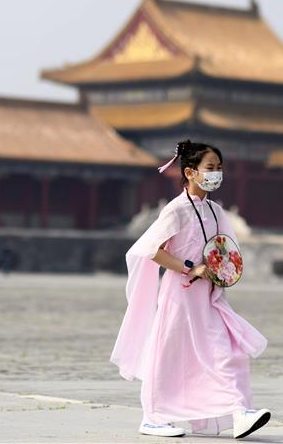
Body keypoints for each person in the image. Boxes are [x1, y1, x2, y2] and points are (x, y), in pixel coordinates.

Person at [110, 140, 271, 439]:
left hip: (208, 296)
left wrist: (223, 271)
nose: (216, 174)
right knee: (170, 354)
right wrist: (189, 267)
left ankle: (239, 412)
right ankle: (153, 417)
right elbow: (150, 250)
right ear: (190, 172)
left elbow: (225, 249)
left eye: (220, 168)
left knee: (225, 351)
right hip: (179, 294)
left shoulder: (215, 210)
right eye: (210, 168)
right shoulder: (176, 210)